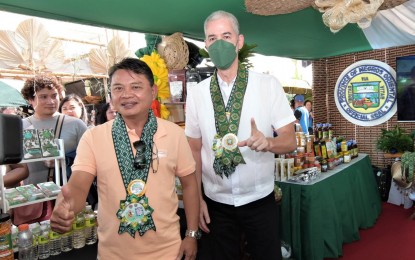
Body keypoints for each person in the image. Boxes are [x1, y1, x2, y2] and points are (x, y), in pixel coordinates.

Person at [50, 58, 200, 260]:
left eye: (136, 87)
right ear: (110, 95)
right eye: (118, 88)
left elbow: (190, 185)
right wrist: (66, 206)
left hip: (168, 252)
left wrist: (191, 234)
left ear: (153, 91)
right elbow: (78, 185)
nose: (127, 94)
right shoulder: (94, 137)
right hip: (113, 254)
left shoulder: (173, 134)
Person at [185, 10, 297, 260]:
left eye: (226, 35)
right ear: (206, 45)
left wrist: (268, 142)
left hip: (260, 200)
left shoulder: (267, 85)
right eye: (212, 38)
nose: (220, 43)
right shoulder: (197, 94)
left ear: (239, 41)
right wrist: (198, 201)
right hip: (216, 204)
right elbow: (193, 149)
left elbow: (290, 141)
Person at [20, 75, 87, 186]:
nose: (51, 101)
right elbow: (14, 166)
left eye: (54, 96)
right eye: (43, 97)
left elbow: (92, 158)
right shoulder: (21, 126)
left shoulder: (76, 124)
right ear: (30, 100)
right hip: (34, 194)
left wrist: (65, 161)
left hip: (69, 191)